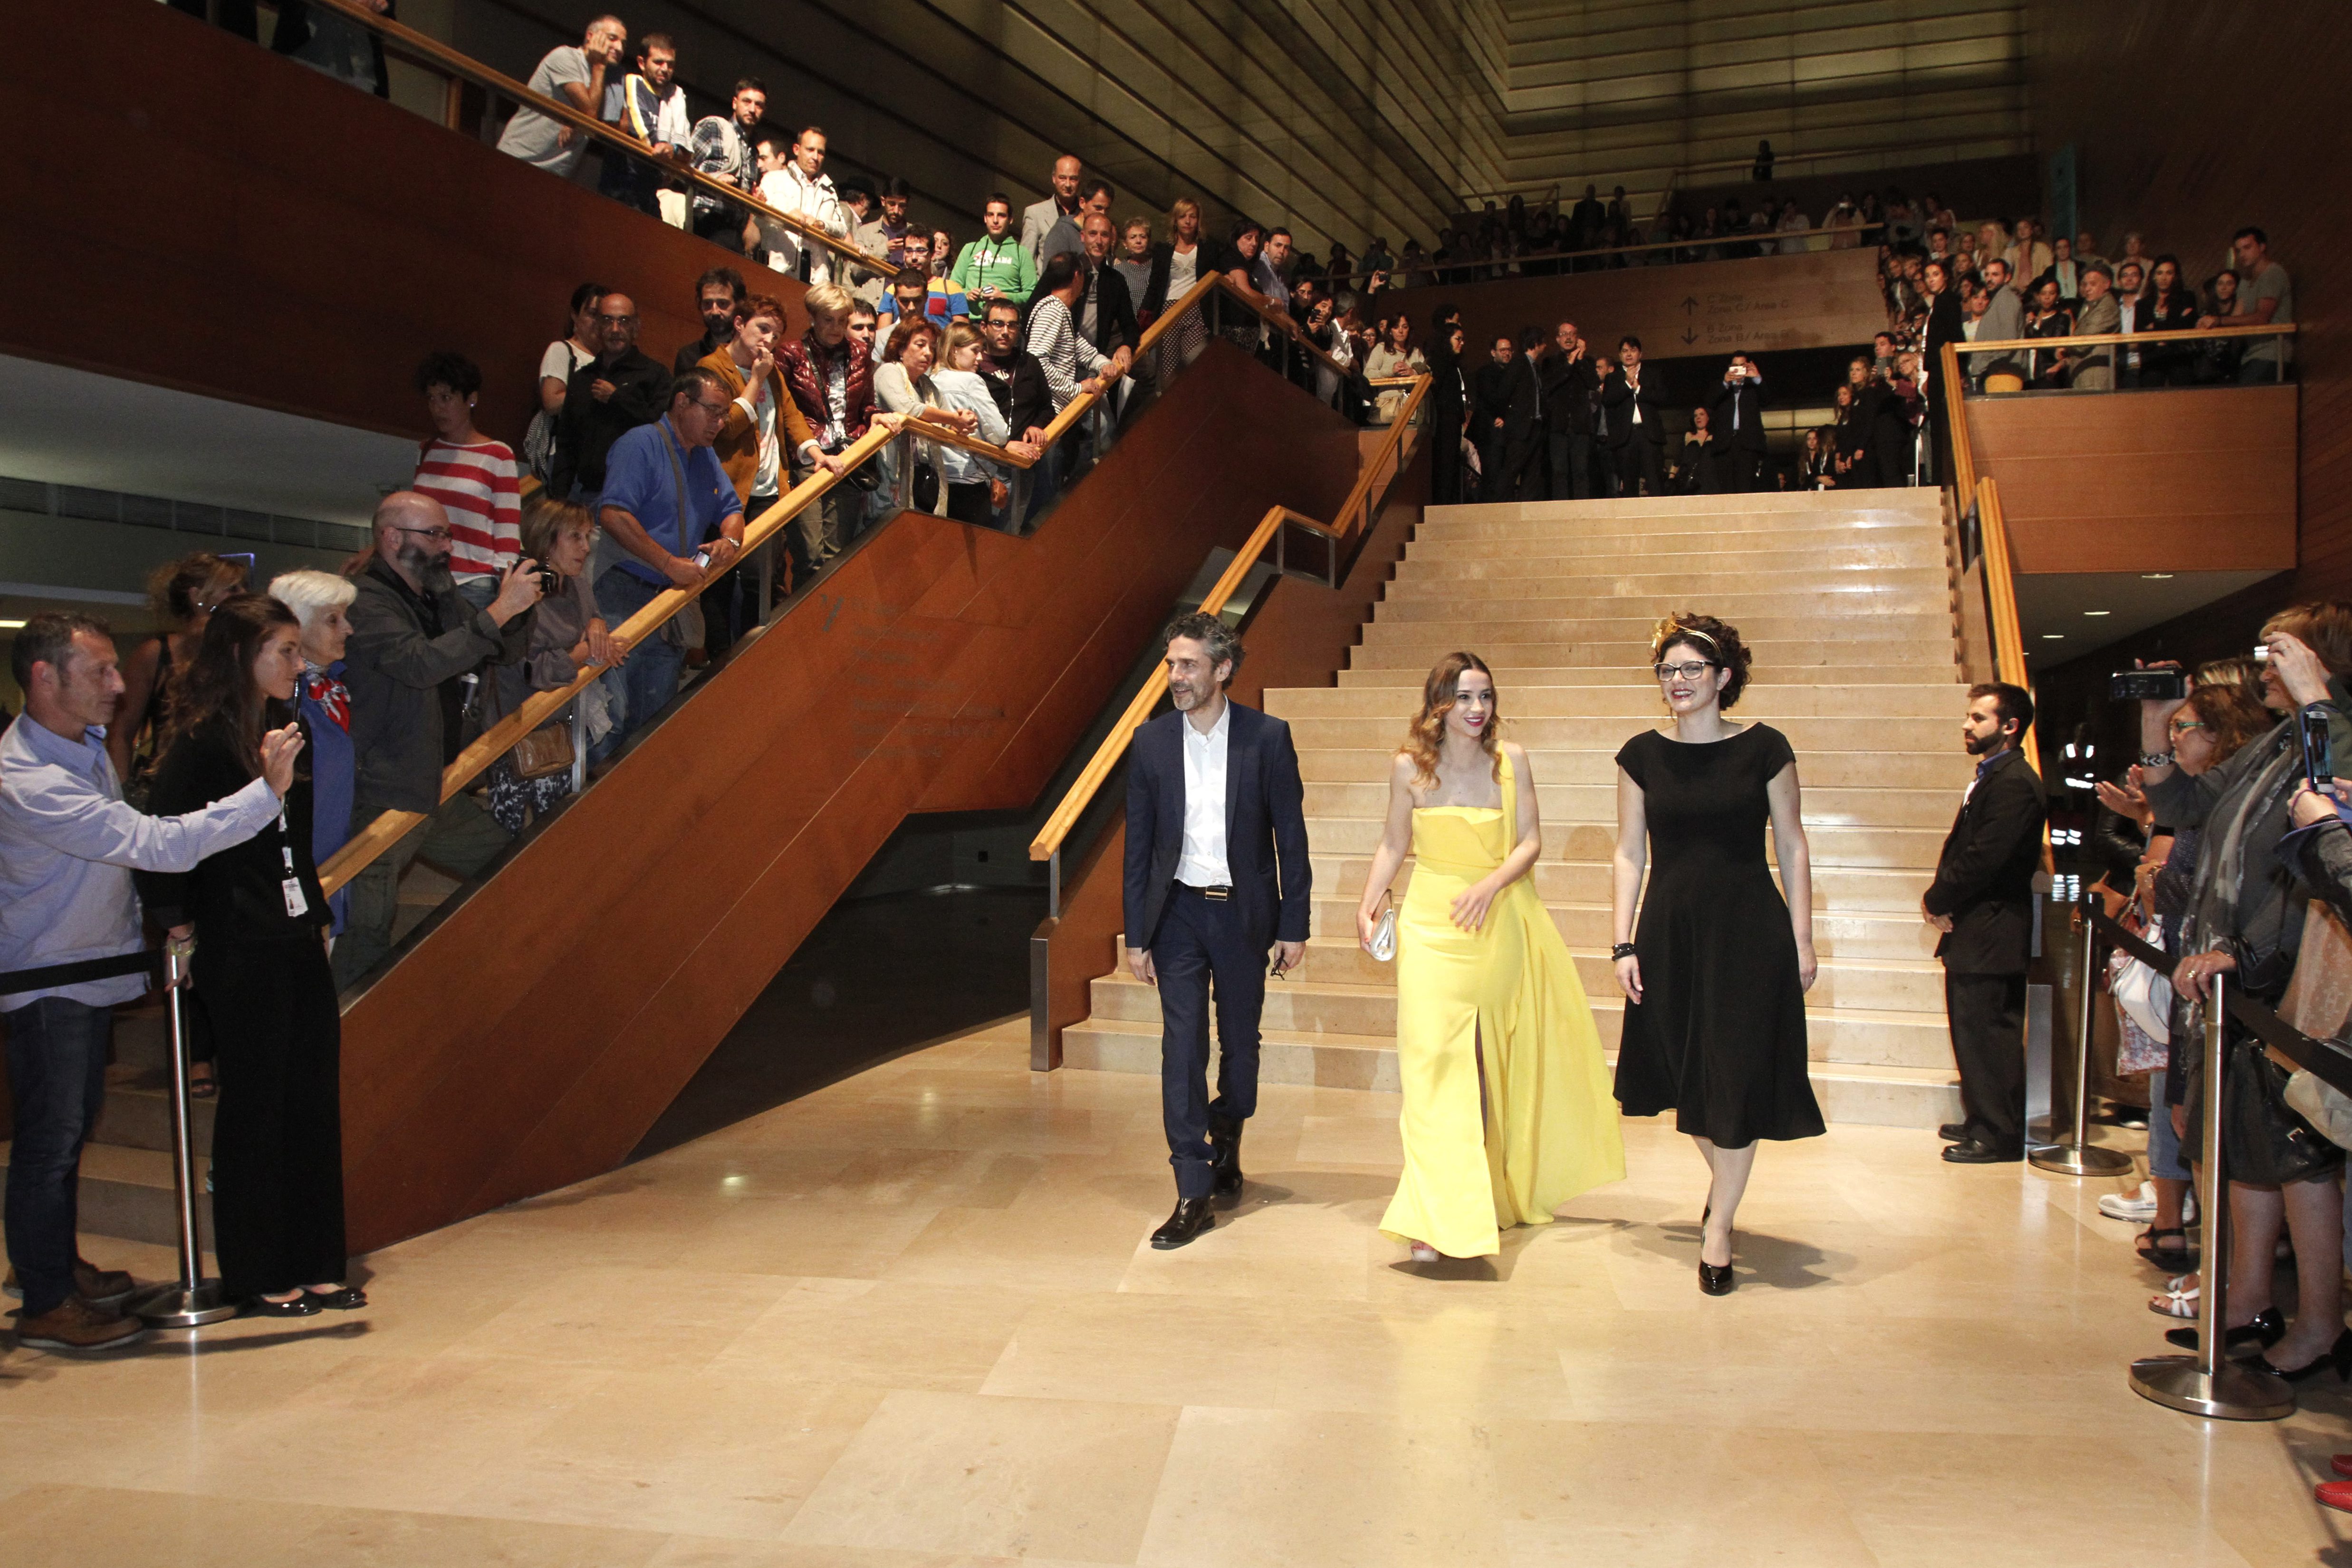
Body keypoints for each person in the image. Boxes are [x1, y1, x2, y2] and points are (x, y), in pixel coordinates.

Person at [0, 614, 303, 1352]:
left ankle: (57, 1269)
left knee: (68, 1132)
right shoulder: (28, 780)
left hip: (88, 970)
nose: (117, 685)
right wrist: (263, 793)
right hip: (52, 982)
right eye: (99, 671)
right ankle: (45, 1297)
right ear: (45, 677)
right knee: (52, 1138)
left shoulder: (81, 752)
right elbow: (152, 843)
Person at [1354, 653, 1622, 1262]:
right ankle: (1435, 1217)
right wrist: (1366, 904)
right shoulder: (1408, 769)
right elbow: (1394, 841)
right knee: (1430, 1066)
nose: (1478, 709)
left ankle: (1483, 1197)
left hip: (1495, 919)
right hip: (1428, 926)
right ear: (1439, 704)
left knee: (1484, 1061)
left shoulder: (1512, 761)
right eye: (1465, 697)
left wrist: (1488, 884)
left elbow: (1530, 840)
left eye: (1486, 696)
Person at [2140, 614, 2352, 1382]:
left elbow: (2323, 849)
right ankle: (2247, 1296)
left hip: (2285, 966)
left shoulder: (2329, 728)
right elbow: (2182, 805)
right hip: (2225, 961)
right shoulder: (2271, 740)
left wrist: (2315, 697)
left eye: (2279, 650)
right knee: (2240, 1140)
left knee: (2295, 1150)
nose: (2264, 664)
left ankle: (2320, 1319)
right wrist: (2155, 723)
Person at [136, 595, 358, 1318]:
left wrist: (315, 916)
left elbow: (292, 844)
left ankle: (318, 1257)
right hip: (239, 936)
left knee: (312, 1101)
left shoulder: (280, 727)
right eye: (285, 651)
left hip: (295, 930)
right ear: (242, 654)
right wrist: (177, 927)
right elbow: (165, 844)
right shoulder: (202, 741)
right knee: (257, 1106)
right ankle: (258, 1268)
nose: (299, 663)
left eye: (300, 649)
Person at [1612, 615, 1823, 1293]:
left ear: (1723, 676)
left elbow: (1791, 843)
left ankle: (1719, 1226)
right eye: (1667, 670)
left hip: (1747, 929)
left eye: (1691, 669)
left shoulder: (1765, 747)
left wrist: (1802, 936)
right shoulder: (1641, 754)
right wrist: (1622, 939)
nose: (1677, 681)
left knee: (1732, 1076)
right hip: (1669, 930)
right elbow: (1628, 852)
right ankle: (1724, 1194)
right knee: (1681, 1078)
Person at [1122, 612, 1309, 1250]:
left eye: (1189, 664)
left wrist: (1294, 922)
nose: (1176, 676)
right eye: (1172, 664)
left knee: (1241, 1045)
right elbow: (1139, 848)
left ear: (1222, 668)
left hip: (1242, 914)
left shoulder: (1267, 738)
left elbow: (1291, 837)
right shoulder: (1149, 743)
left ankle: (1228, 1128)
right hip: (1175, 913)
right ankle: (1192, 1185)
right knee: (1181, 1047)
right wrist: (1135, 933)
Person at [334, 492, 540, 989]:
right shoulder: (365, 599)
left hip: (434, 783)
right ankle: (349, 1042)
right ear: (391, 538)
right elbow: (419, 664)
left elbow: (494, 651)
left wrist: (524, 606)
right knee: (367, 930)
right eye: (434, 535)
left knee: (515, 864)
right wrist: (495, 613)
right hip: (383, 792)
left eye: (447, 534)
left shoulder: (435, 591)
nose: (446, 545)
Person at [1921, 683, 2048, 1163]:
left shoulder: (2014, 782)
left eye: (1978, 718)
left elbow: (1984, 858)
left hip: (1992, 928)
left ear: (2008, 726)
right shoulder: (1994, 774)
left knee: (1988, 1034)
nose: (1966, 725)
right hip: (1979, 927)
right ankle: (1982, 1116)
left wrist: (1937, 896)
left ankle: (1997, 1133)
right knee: (1971, 1030)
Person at [594, 369, 746, 741]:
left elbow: (732, 509)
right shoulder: (640, 443)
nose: (720, 422)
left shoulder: (705, 456)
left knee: (652, 723)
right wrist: (667, 564)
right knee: (608, 716)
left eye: (724, 414)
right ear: (682, 402)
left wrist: (731, 542)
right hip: (622, 592)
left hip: (671, 601)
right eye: (713, 411)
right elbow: (612, 514)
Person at [483, 498, 621, 831]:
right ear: (547, 539)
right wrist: (584, 650)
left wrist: (597, 624)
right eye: (575, 537)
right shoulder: (520, 589)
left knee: (556, 834)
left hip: (558, 726)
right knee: (508, 841)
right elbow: (532, 670)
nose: (585, 547)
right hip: (514, 727)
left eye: (587, 537)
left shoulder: (576, 583)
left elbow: (592, 615)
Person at [110, 552, 250, 796]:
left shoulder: (243, 653)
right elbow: (121, 733)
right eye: (232, 589)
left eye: (243, 588)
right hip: (168, 788)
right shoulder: (155, 654)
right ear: (197, 597)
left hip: (230, 786)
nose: (244, 596)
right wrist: (123, 795)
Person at [704, 294, 818, 592]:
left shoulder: (772, 373)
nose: (769, 340)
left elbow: (791, 417)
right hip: (725, 489)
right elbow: (726, 428)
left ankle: (753, 639)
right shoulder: (713, 367)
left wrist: (817, 453)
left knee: (762, 579)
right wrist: (755, 380)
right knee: (718, 581)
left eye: (777, 336)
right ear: (740, 324)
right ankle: (722, 642)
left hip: (768, 489)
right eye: (764, 329)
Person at [267, 569, 359, 937]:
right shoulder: (279, 705)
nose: (349, 628)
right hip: (290, 876)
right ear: (298, 628)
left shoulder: (334, 692)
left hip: (334, 864)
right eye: (333, 619)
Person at [778, 283, 886, 562]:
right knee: (810, 553)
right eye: (829, 319)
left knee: (836, 554)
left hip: (848, 456)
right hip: (809, 457)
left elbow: (866, 405)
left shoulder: (860, 354)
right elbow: (784, 411)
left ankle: (823, 607)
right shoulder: (791, 353)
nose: (836, 328)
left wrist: (875, 416)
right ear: (813, 318)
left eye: (842, 321)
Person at [412, 352, 522, 611]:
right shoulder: (427, 450)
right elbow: (412, 518)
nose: (438, 408)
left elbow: (507, 532)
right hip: (425, 580)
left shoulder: (498, 455)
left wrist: (505, 595)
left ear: (471, 399)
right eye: (431, 399)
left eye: (447, 398)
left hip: (474, 584)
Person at [548, 292, 668, 505]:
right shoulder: (582, 379)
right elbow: (566, 443)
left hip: (635, 499)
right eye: (607, 320)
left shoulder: (654, 375)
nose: (615, 329)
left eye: (623, 321)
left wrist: (617, 398)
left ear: (636, 327)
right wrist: (559, 498)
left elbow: (661, 428)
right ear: (597, 327)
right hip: (583, 494)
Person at [495, 15, 625, 178]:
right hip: (518, 158)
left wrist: (575, 124)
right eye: (612, 39)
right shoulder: (565, 57)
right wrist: (599, 65)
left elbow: (616, 129)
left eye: (623, 43)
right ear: (590, 37)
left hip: (556, 173)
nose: (620, 48)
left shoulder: (612, 79)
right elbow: (590, 112)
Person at [933, 322, 1027, 525]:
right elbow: (999, 433)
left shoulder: (929, 380)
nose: (981, 358)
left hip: (936, 477)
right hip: (970, 478)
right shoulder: (971, 381)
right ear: (954, 350)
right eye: (975, 350)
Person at [597, 32, 689, 221]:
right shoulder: (633, 83)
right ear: (641, 63)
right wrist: (672, 153)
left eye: (670, 64)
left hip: (650, 191)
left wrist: (674, 149)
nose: (665, 69)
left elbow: (687, 152)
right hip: (622, 186)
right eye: (658, 62)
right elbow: (647, 136)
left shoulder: (675, 98)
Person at [527, 283, 605, 483]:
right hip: (568, 456)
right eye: (592, 314)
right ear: (575, 315)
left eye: (603, 316)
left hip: (599, 456)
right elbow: (551, 401)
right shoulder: (562, 350)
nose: (598, 322)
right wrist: (595, 391)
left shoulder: (609, 360)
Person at [757, 125, 850, 285]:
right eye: (810, 150)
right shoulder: (773, 179)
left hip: (817, 279)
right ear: (796, 149)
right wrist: (787, 216)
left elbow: (842, 230)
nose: (816, 157)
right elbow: (761, 218)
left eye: (821, 152)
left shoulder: (829, 190)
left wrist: (821, 224)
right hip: (778, 270)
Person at [2201, 226, 2292, 383]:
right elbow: (2238, 316)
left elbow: (2261, 318)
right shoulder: (2245, 281)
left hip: (2272, 353)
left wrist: (2219, 321)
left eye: (2247, 248)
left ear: (2262, 247)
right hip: (2250, 354)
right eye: (2239, 250)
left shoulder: (2273, 274)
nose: (2242, 254)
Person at [688, 79, 767, 253]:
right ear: (734, 103)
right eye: (747, 101)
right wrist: (715, 180)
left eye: (759, 105)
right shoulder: (714, 127)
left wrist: (754, 200)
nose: (752, 109)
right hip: (706, 218)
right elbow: (684, 167)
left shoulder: (754, 151)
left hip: (734, 230)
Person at [1535, 320, 1596, 500]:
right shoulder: (1549, 362)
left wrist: (1581, 358)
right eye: (1564, 334)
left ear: (1578, 338)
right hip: (1557, 424)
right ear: (1557, 339)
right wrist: (1569, 364)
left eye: (1572, 334)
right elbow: (1549, 385)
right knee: (1559, 471)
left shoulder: (1587, 361)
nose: (1568, 338)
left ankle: (1582, 510)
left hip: (1581, 424)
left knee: (1581, 471)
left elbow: (1593, 383)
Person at [1601, 337, 1666, 497]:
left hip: (1648, 434)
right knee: (1629, 484)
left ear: (1641, 354)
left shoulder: (1652, 374)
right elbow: (1608, 400)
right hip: (1626, 437)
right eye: (1625, 351)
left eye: (1633, 350)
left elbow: (1662, 398)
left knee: (1654, 480)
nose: (1629, 354)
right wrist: (1627, 384)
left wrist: (1638, 389)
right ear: (1620, 355)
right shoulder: (1613, 378)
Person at [951, 194, 1038, 309]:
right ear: (985, 218)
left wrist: (1006, 297)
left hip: (1005, 320)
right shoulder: (970, 249)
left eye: (1001, 216)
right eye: (991, 215)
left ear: (1010, 220)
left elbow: (1032, 293)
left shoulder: (1021, 253)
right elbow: (952, 287)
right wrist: (966, 294)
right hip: (972, 321)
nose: (995, 220)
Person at [1707, 353, 1766, 492]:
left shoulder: (1753, 388)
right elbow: (1710, 402)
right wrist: (1725, 383)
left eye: (1742, 366)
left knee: (1746, 487)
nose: (1738, 370)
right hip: (1725, 445)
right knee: (1726, 489)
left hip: (1747, 445)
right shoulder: (1722, 387)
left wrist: (1757, 378)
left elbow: (1767, 400)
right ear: (1729, 368)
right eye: (1735, 366)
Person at [2140, 255, 2201, 386]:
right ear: (2154, 276)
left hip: (2179, 355)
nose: (2164, 278)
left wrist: (2155, 327)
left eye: (2169, 273)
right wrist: (2176, 323)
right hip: (2153, 358)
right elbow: (2139, 335)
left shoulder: (2186, 298)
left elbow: (2188, 326)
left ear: (2175, 276)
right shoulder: (2143, 304)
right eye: (2160, 273)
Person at [674, 268, 746, 376]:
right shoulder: (688, 356)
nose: (715, 312)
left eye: (723, 303)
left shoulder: (752, 351)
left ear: (739, 305)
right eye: (708, 304)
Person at [1022, 155, 1084, 270]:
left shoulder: (1087, 215)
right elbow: (1026, 261)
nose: (1068, 184)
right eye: (1063, 178)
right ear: (1054, 178)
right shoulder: (1035, 213)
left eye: (1073, 179)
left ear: (1080, 180)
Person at [2068, 264, 2120, 390]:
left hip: (2095, 377)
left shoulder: (2107, 307)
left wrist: (2064, 346)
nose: (2088, 289)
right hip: (2083, 374)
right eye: (2085, 285)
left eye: (2093, 284)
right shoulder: (2089, 305)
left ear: (2107, 284)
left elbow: (2084, 342)